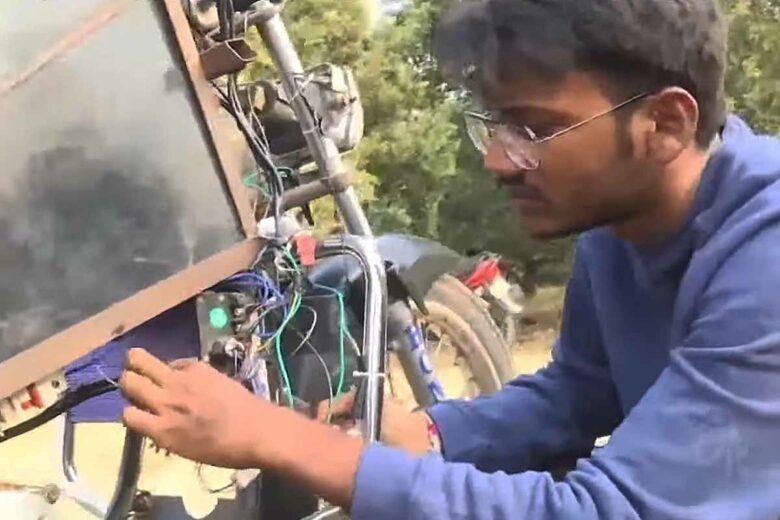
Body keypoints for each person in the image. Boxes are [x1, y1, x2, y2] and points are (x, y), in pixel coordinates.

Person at [119, 0, 780, 518]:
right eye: (494, 126)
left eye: (534, 129)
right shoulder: (620, 230)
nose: (497, 160)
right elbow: (577, 395)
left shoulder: (766, 249)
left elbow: (615, 510)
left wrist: (280, 439)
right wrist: (426, 433)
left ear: (663, 124)